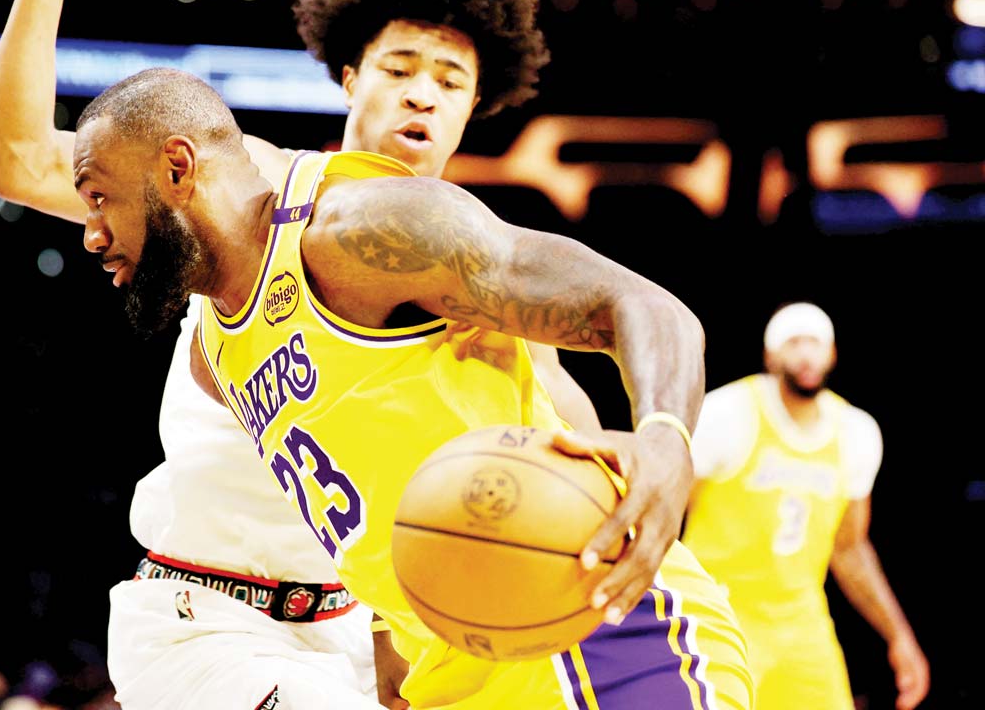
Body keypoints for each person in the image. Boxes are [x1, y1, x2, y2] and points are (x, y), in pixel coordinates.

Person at [0, 0, 613, 708]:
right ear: (350, 77)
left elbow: (568, 435)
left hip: (346, 630)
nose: (423, 92)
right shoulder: (254, 190)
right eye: (400, 68)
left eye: (451, 81)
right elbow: (16, 160)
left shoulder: (476, 270)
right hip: (210, 608)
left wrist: (618, 496)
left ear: (476, 103)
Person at [66, 65, 753, 708]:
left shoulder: (358, 231)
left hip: (598, 628)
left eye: (99, 198)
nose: (91, 235)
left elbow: (636, 304)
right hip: (457, 668)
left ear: (178, 167)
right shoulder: (215, 358)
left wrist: (665, 440)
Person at [682, 302, 929, 710]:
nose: (806, 353)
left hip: (801, 621)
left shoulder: (856, 432)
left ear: (831, 354)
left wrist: (898, 635)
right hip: (719, 609)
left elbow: (849, 547)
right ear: (771, 355)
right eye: (793, 342)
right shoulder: (728, 413)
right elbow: (665, 513)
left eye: (815, 342)